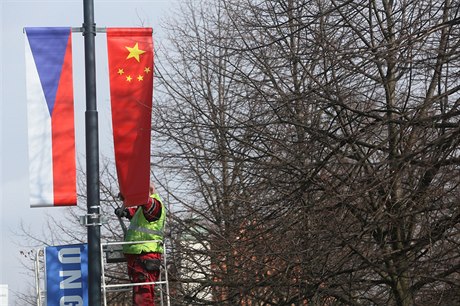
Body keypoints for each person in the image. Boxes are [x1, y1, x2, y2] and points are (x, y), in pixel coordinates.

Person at [115, 182, 166, 306]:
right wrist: (126, 212)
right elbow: (137, 213)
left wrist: (134, 193)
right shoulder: (142, 209)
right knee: (140, 295)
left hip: (146, 255)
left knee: (143, 296)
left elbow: (149, 208)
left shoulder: (154, 204)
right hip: (139, 256)